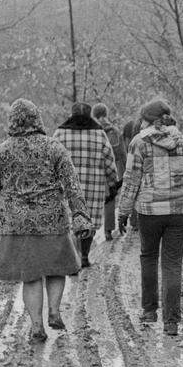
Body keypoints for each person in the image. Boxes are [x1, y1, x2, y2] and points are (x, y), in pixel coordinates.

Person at [0, 99, 94, 342]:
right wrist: (79, 214)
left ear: (12, 120)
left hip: (16, 224)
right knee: (56, 268)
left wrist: (5, 207)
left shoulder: (1, 151)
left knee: (30, 275)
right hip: (52, 219)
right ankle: (54, 311)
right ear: (37, 119)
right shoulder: (54, 148)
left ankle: (36, 326)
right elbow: (72, 185)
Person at [117, 99, 183, 337]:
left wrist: (123, 212)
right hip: (180, 211)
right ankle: (171, 322)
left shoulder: (139, 142)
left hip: (150, 211)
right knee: (172, 263)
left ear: (147, 120)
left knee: (148, 256)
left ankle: (149, 311)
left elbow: (131, 180)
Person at [55, 102, 118, 266]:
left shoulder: (60, 133)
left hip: (67, 187)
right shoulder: (99, 134)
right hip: (93, 186)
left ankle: (74, 255)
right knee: (88, 221)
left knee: (70, 219)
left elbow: (51, 160)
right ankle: (84, 255)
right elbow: (109, 161)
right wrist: (112, 184)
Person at [93, 103, 127, 240]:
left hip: (97, 169)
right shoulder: (115, 131)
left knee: (95, 199)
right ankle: (109, 229)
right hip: (115, 169)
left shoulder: (93, 131)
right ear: (106, 114)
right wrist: (125, 169)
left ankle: (93, 231)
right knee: (111, 198)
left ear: (94, 115)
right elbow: (122, 152)